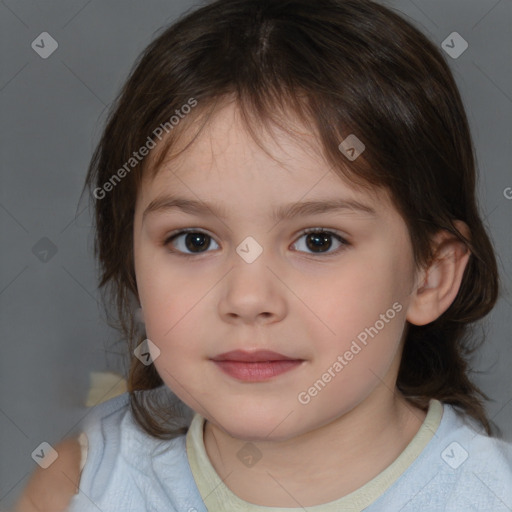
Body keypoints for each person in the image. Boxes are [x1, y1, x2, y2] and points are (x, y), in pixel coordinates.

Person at [15, 0, 512, 510]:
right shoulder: (81, 485)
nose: (248, 299)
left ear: (429, 276)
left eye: (319, 240)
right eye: (195, 240)